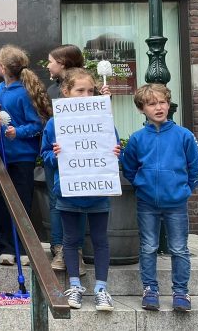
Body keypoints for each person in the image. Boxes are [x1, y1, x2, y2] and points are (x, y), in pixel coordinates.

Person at [122, 83, 198, 312]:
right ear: (142, 109)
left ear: (168, 104)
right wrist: (141, 184)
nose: (158, 107)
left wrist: (185, 189)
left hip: (176, 204)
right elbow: (128, 167)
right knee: (148, 246)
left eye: (162, 102)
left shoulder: (184, 135)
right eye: (151, 104)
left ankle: (181, 292)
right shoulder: (138, 139)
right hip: (147, 203)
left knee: (179, 248)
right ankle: (150, 289)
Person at [41, 68, 119, 311]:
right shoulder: (55, 123)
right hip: (68, 190)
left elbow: (115, 149)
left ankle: (101, 289)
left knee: (100, 240)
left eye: (90, 90)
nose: (86, 95)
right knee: (70, 241)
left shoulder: (103, 120)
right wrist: (55, 156)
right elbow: (44, 155)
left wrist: (117, 153)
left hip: (97, 191)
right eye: (79, 90)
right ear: (66, 92)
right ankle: (74, 285)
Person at [0, 45, 52, 266]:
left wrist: (18, 132)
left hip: (22, 157)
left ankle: (23, 247)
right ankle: (5, 247)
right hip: (0, 156)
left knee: (22, 203)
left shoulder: (24, 93)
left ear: (3, 67)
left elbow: (36, 123)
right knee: (0, 202)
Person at [44, 44, 86, 274]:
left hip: (82, 156)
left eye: (51, 61)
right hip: (58, 154)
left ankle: (75, 250)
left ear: (63, 64)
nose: (48, 65)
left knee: (77, 202)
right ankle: (59, 247)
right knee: (56, 200)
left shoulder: (90, 89)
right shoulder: (52, 90)